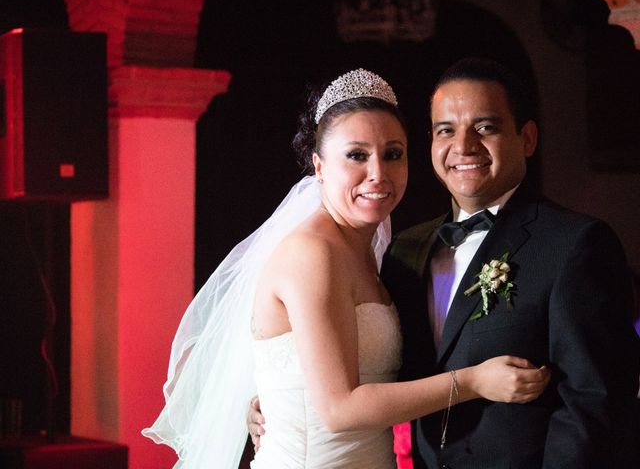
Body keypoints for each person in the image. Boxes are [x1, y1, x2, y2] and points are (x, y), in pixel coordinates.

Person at [144, 68, 550, 469]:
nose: (378, 173)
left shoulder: (380, 253)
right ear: (319, 166)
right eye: (356, 155)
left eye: (393, 154)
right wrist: (474, 381)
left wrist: (278, 394)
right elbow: (339, 408)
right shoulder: (311, 252)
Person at [380, 57, 640, 468]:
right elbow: (377, 368)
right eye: (445, 130)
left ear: (528, 139)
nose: (463, 146)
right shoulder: (406, 249)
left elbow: (595, 405)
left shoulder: (575, 244)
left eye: (486, 127)